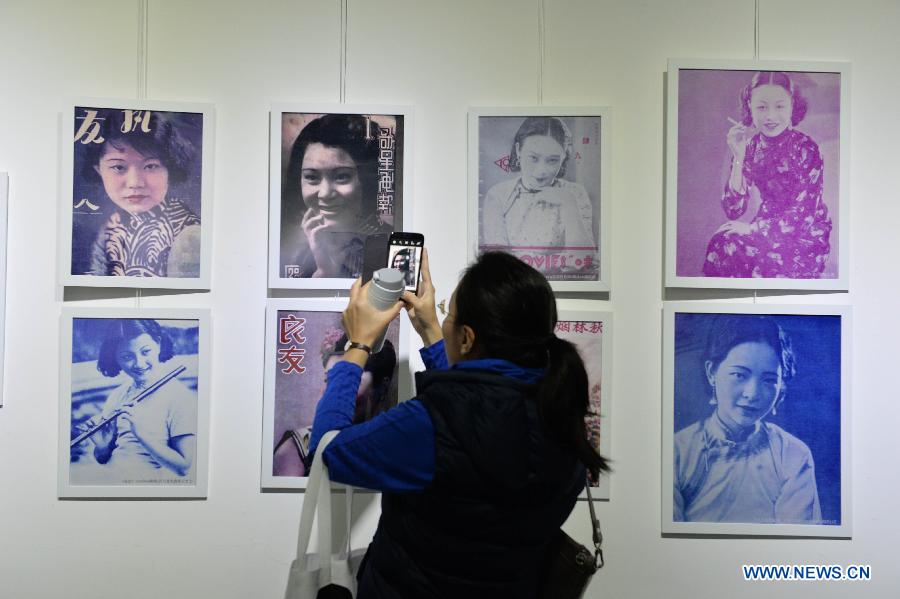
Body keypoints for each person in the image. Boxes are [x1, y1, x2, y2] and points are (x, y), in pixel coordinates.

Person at [307, 249, 609, 598]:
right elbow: (475, 414)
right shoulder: (561, 416)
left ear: (467, 338)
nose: (443, 320)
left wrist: (357, 345)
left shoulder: (431, 425)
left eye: (447, 313)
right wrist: (433, 334)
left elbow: (328, 450)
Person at [673, 315, 821, 524]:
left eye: (769, 380)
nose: (752, 393)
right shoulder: (678, 452)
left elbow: (799, 539)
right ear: (711, 372)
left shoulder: (792, 453)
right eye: (739, 375)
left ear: (781, 386)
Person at [703, 71, 832, 278]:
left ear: (792, 107)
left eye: (779, 106)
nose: (770, 116)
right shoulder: (751, 146)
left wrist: (752, 230)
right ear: (750, 109)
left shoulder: (806, 148)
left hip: (804, 237)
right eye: (761, 107)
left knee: (762, 266)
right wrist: (738, 156)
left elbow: (803, 214)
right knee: (723, 242)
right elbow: (733, 209)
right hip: (764, 228)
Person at [80, 109, 202, 277]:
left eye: (151, 166)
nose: (135, 183)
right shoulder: (111, 227)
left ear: (170, 169)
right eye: (118, 167)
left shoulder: (190, 234)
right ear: (99, 170)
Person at [79, 319, 197, 482]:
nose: (139, 363)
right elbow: (102, 459)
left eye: (145, 351)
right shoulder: (118, 395)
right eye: (127, 357)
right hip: (111, 482)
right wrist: (103, 446)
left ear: (158, 344)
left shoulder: (179, 396)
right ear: (115, 358)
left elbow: (183, 467)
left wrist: (141, 433)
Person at [273, 328, 397, 477]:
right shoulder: (296, 447)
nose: (331, 391)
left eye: (351, 379)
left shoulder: (394, 444)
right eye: (328, 380)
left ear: (382, 386)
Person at [281, 114, 392, 278]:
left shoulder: (390, 248)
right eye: (312, 177)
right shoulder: (291, 253)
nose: (325, 193)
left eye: (341, 176)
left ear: (368, 182)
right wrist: (325, 271)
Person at [481, 116, 595, 250]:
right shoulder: (498, 196)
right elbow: (498, 263)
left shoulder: (575, 194)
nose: (541, 171)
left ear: (563, 157)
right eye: (533, 158)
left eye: (552, 160)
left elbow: (583, 262)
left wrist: (569, 203)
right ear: (519, 151)